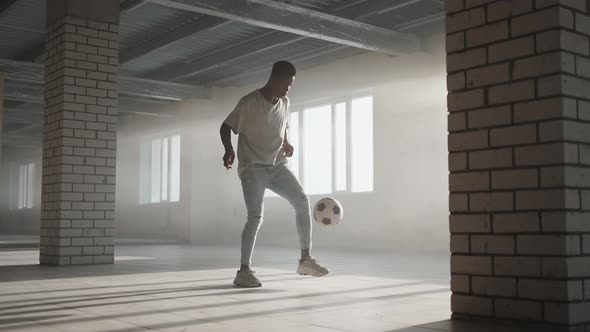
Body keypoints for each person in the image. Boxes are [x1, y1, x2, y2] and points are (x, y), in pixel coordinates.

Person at [219, 60, 329, 288]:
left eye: (291, 85)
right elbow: (226, 126)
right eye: (287, 84)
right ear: (276, 79)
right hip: (253, 167)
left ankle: (305, 260)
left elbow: (284, 126)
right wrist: (229, 150)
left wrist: (287, 144)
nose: (289, 89)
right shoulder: (249, 102)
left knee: (302, 200)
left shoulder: (285, 102)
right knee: (255, 217)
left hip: (278, 165)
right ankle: (244, 271)